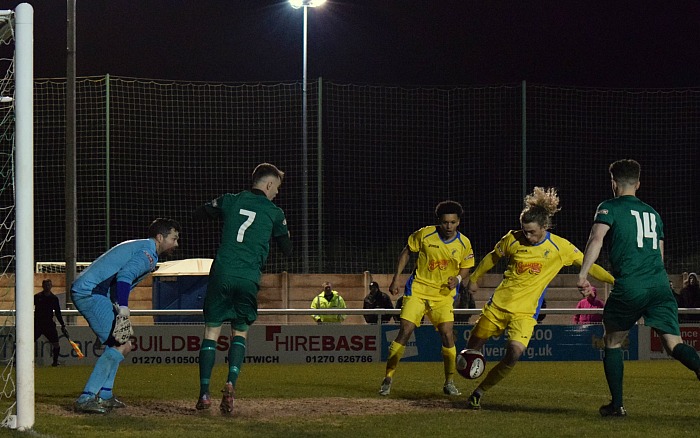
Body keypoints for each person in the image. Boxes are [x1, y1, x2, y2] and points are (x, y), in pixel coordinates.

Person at [465, 187, 615, 410]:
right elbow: (492, 257)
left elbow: (589, 265)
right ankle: (467, 370)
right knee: (470, 352)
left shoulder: (560, 248)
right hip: (497, 307)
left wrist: (615, 281)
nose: (527, 236)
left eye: (532, 232)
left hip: (525, 313)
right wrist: (475, 277)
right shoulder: (512, 239)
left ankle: (479, 392)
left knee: (514, 354)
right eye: (524, 231)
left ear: (545, 227)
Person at [577, 159, 700, 417]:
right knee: (674, 344)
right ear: (638, 183)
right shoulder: (653, 213)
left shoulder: (609, 207)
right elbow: (660, 254)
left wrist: (583, 274)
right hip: (659, 285)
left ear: (613, 183)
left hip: (631, 286)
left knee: (612, 341)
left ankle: (617, 405)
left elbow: (596, 239)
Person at [193, 163, 292, 415]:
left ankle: (204, 394)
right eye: (277, 187)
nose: (277, 193)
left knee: (211, 333)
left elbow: (200, 213)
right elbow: (288, 250)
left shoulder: (231, 200)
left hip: (222, 272)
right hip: (248, 277)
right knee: (240, 332)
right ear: (268, 184)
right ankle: (230, 383)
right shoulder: (274, 211)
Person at [71, 218, 181, 414]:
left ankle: (105, 394)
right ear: (160, 237)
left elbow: (118, 279)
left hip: (96, 292)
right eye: (174, 238)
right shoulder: (147, 254)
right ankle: (86, 398)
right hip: (90, 292)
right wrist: (122, 308)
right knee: (119, 344)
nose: (176, 244)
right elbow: (124, 277)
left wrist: (115, 305)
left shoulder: (146, 251)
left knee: (126, 343)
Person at [380, 200, 474, 397]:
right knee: (405, 331)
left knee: (448, 335)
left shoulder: (464, 243)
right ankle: (388, 378)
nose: (449, 226)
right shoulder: (424, 234)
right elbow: (406, 252)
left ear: (458, 222)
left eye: (453, 222)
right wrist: (396, 278)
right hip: (418, 290)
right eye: (445, 222)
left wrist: (457, 279)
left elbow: (467, 266)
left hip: (442, 296)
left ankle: (449, 382)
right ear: (439, 221)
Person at [34, 279, 68, 367]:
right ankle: (18, 360)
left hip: (49, 324)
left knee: (56, 344)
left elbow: (57, 312)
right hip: (37, 323)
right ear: (43, 286)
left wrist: (62, 324)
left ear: (51, 286)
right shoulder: (37, 297)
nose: (47, 287)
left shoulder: (53, 298)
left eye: (49, 285)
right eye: (46, 285)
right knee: (28, 342)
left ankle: (55, 362)